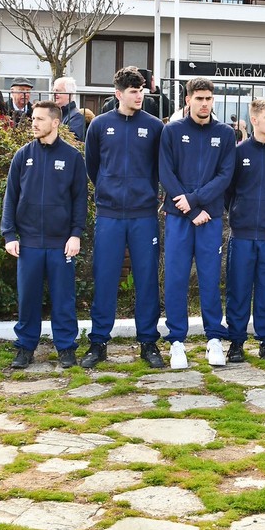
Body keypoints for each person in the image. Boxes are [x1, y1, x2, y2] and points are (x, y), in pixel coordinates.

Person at [83, 67, 164, 369]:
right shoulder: (100, 125)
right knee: (105, 278)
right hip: (110, 214)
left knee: (147, 279)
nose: (139, 95)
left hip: (144, 215)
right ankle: (98, 342)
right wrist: (109, 190)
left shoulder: (154, 126)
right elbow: (93, 166)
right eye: (133, 91)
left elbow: (160, 167)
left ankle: (148, 342)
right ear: (118, 94)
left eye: (141, 90)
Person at [1, 101, 88, 369]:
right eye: (33, 119)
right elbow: (11, 196)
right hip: (28, 243)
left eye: (39, 119)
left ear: (55, 122)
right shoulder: (23, 155)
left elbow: (80, 199)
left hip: (61, 243)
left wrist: (75, 234)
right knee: (28, 298)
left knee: (64, 299)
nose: (34, 123)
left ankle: (66, 348)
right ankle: (25, 348)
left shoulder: (72, 157)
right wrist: (9, 234)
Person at [161, 77, 236, 368]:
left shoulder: (225, 133)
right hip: (180, 217)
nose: (204, 104)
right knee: (176, 279)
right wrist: (190, 209)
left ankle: (214, 338)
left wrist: (195, 200)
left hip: (210, 217)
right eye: (199, 98)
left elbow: (225, 175)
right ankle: (176, 341)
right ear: (188, 100)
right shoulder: (172, 131)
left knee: (209, 278)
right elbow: (165, 172)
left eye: (208, 98)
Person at [224, 99, 265, 362]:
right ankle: (236, 342)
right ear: (254, 120)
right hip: (242, 234)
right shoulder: (238, 152)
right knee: (238, 289)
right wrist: (239, 212)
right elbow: (228, 190)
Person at [52, 76, 85, 140]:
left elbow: (72, 141)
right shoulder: (58, 114)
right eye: (53, 91)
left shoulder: (76, 117)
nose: (54, 94)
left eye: (58, 91)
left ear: (70, 94)